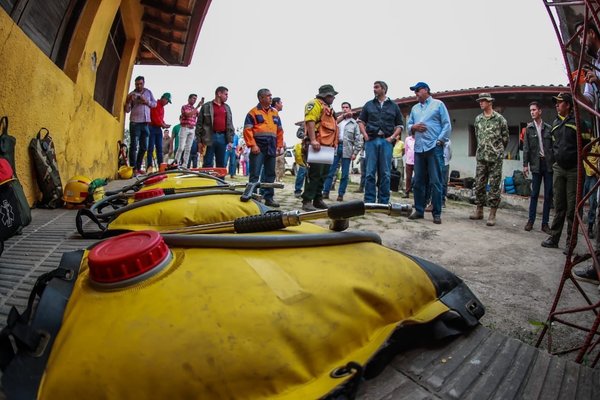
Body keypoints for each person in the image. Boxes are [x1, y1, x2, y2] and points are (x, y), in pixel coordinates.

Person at [542, 93, 586, 249]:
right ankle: (554, 238)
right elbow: (554, 147)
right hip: (559, 169)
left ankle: (570, 243)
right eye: (556, 103)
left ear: (567, 105)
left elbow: (587, 146)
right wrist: (553, 163)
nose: (556, 105)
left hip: (574, 170)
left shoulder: (579, 123)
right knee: (559, 206)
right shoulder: (554, 124)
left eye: (559, 103)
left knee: (572, 208)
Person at [406, 82, 451, 224]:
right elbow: (409, 125)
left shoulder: (438, 104)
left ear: (425, 90)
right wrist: (413, 127)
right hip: (419, 148)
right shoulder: (414, 108)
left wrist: (440, 140)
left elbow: (447, 124)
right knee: (418, 181)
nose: (416, 94)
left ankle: (436, 213)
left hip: (434, 147)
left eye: (418, 91)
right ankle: (419, 210)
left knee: (436, 181)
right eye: (415, 92)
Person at [358, 81, 404, 204]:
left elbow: (400, 125)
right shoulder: (368, 105)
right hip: (371, 141)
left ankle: (383, 201)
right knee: (369, 172)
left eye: (377, 87)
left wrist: (392, 137)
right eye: (374, 87)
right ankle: (369, 201)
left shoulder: (394, 106)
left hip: (386, 141)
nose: (374, 89)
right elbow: (361, 121)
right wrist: (365, 135)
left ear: (384, 89)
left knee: (385, 173)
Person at [469, 93, 509, 226]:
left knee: (494, 186)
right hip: (481, 157)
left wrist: (496, 150)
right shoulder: (478, 119)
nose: (480, 103)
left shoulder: (500, 119)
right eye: (479, 101)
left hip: (495, 159)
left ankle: (492, 214)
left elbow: (505, 138)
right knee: (479, 185)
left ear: (490, 102)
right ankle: (479, 210)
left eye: (483, 101)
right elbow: (477, 136)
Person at [243, 88, 284, 208]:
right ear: (261, 98)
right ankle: (252, 196)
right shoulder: (253, 112)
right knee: (255, 174)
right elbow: (247, 130)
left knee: (270, 174)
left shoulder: (275, 113)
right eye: (268, 96)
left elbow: (280, 131)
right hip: (258, 147)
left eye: (271, 96)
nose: (271, 98)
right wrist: (253, 145)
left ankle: (268, 198)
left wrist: (279, 145)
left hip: (271, 147)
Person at [301, 84, 339, 211]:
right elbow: (310, 121)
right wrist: (312, 140)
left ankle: (318, 199)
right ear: (326, 95)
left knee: (323, 174)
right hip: (317, 144)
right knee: (314, 174)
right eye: (332, 95)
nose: (333, 98)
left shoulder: (329, 108)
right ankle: (307, 200)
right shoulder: (314, 104)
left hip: (327, 146)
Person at [522, 101, 553, 233]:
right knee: (534, 194)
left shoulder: (548, 128)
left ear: (540, 111)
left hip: (548, 164)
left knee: (548, 195)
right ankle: (531, 220)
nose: (532, 112)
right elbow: (526, 148)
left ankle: (545, 224)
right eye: (530, 110)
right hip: (536, 164)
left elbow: (553, 147)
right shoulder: (529, 129)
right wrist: (525, 165)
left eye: (534, 110)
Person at [322, 102, 363, 202]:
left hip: (347, 148)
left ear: (350, 109)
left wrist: (355, 152)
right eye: (343, 107)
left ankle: (341, 194)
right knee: (330, 171)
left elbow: (358, 139)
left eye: (347, 107)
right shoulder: (337, 121)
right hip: (336, 147)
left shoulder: (354, 124)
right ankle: (325, 192)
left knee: (344, 174)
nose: (345, 109)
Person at [124, 76, 156, 175]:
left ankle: (138, 167)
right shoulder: (131, 94)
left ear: (144, 83)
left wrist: (146, 101)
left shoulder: (148, 92)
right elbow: (127, 110)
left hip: (145, 122)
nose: (138, 86)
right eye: (137, 84)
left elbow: (154, 104)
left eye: (140, 84)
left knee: (144, 147)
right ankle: (133, 169)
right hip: (135, 122)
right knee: (133, 146)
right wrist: (129, 101)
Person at [196, 86, 235, 168]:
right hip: (208, 137)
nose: (227, 96)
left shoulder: (227, 108)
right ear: (219, 94)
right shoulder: (206, 106)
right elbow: (199, 124)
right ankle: (207, 180)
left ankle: (220, 181)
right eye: (226, 94)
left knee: (221, 163)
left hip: (222, 138)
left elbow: (230, 124)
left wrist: (230, 140)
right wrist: (199, 141)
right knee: (207, 162)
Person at [175, 94, 203, 168]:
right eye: (193, 98)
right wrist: (198, 106)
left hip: (192, 129)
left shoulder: (195, 109)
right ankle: (176, 163)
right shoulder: (184, 107)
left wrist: (202, 106)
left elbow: (200, 116)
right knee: (181, 147)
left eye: (195, 99)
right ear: (189, 99)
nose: (194, 100)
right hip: (185, 128)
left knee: (188, 148)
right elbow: (188, 114)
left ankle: (184, 165)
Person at [147, 92, 171, 172]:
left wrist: (164, 123)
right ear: (163, 98)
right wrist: (163, 125)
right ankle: (149, 166)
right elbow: (155, 118)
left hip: (158, 129)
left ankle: (161, 166)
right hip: (152, 127)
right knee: (150, 148)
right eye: (167, 101)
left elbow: (160, 119)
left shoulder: (162, 108)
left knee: (159, 149)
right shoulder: (155, 104)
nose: (167, 103)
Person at [403, 131, 415, 198]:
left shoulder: (419, 139)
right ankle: (407, 192)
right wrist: (408, 157)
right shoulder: (407, 139)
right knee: (408, 178)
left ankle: (416, 192)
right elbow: (406, 150)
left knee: (418, 178)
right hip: (409, 161)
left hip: (417, 162)